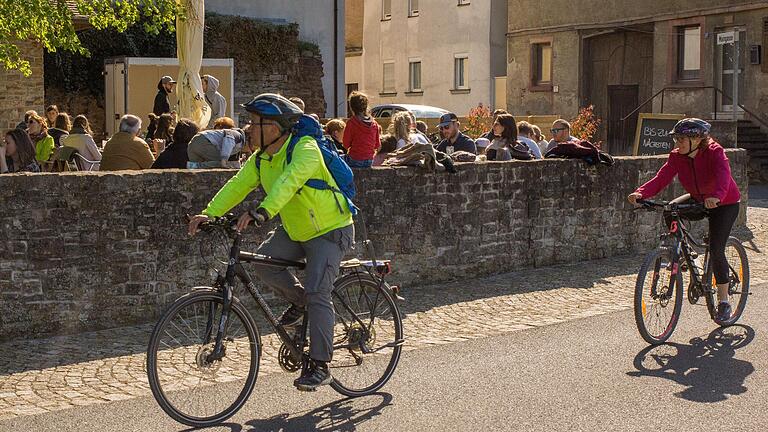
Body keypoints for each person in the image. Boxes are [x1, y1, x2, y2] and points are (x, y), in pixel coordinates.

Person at [187, 93, 355, 391]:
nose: (249, 129)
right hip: (296, 230)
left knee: (318, 291)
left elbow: (288, 183)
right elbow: (237, 184)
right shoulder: (262, 158)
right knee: (265, 265)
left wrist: (263, 211)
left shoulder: (305, 149)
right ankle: (302, 304)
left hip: (330, 229)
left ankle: (320, 365)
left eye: (255, 123)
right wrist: (209, 213)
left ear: (275, 127)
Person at [627, 119, 741, 322]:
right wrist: (640, 193)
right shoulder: (677, 156)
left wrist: (717, 196)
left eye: (681, 139)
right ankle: (685, 254)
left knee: (716, 249)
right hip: (699, 199)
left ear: (697, 139)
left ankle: (724, 302)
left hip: (725, 203)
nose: (677, 143)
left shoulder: (715, 152)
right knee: (670, 210)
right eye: (676, 138)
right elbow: (662, 178)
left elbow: (724, 176)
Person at [342, 91, 380, 168]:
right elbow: (377, 145)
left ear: (352, 107)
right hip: (369, 160)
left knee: (337, 159)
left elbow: (345, 144)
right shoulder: (374, 124)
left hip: (354, 159)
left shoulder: (352, 122)